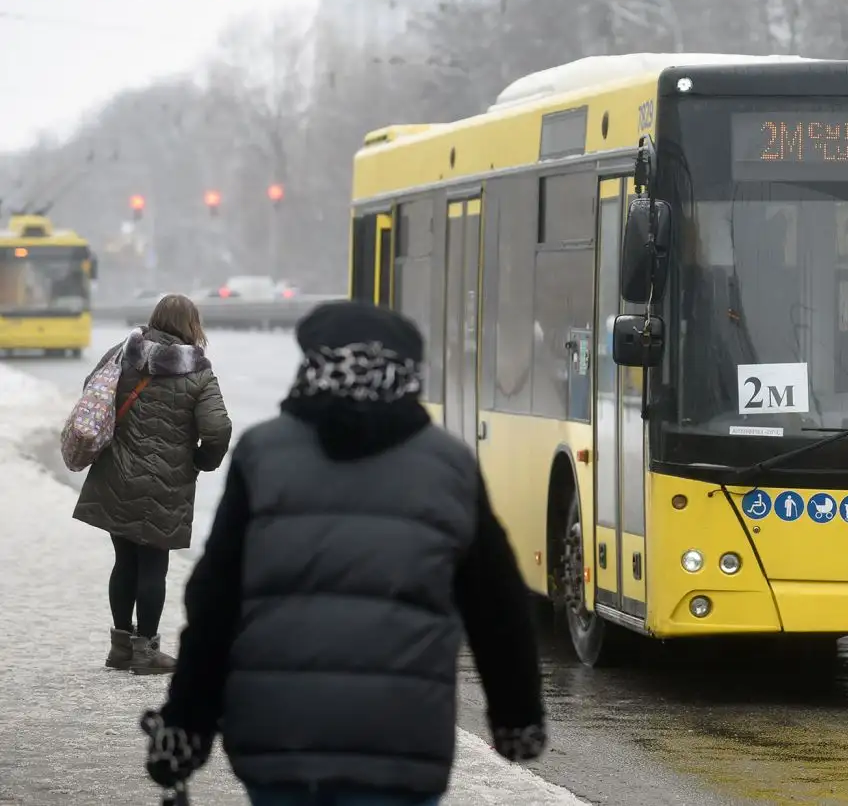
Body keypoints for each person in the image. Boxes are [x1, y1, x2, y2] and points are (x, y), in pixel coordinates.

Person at [139, 301, 546, 806]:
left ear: (311, 361)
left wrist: (186, 726)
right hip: (402, 738)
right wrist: (516, 716)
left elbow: (215, 603)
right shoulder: (449, 465)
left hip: (279, 738)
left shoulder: (264, 454)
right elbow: (498, 606)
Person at [74, 293, 231, 675]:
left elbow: (91, 394)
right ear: (192, 325)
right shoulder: (198, 371)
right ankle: (146, 652)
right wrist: (202, 462)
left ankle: (120, 646)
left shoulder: (122, 354)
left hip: (116, 474)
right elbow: (218, 429)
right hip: (167, 483)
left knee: (124, 560)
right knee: (153, 567)